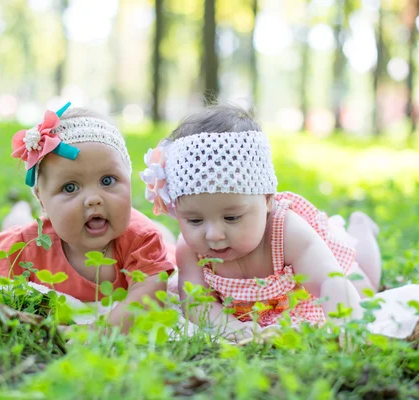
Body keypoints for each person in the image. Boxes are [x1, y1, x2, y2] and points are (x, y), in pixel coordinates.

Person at [0, 103, 175, 332]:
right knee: (17, 230)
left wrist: (96, 333)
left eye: (108, 181)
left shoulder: (142, 240)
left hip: (156, 232)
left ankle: (28, 208)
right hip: (43, 228)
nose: (93, 198)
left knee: (165, 234)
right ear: (44, 201)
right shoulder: (32, 244)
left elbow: (146, 300)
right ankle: (20, 209)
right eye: (70, 187)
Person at [140, 105, 381, 338]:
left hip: (322, 273)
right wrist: (233, 328)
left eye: (231, 217)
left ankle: (361, 227)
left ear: (267, 200)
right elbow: (195, 303)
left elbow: (329, 280)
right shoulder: (190, 250)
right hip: (253, 318)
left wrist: (345, 326)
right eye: (194, 220)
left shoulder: (285, 231)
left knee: (365, 287)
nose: (213, 234)